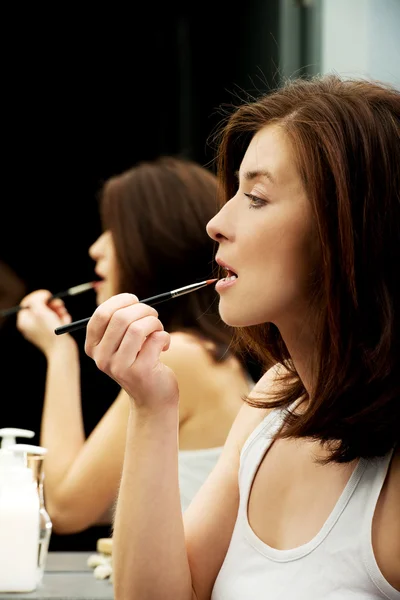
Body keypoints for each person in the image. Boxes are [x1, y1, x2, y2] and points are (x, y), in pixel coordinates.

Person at [84, 75, 400, 599]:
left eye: (255, 196)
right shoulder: (273, 402)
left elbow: (68, 506)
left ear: (350, 229)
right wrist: (151, 406)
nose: (215, 222)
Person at [16, 156, 251, 535]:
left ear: (156, 240)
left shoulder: (182, 357)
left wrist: (59, 353)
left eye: (114, 229)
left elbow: (62, 507)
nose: (96, 247)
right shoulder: (209, 352)